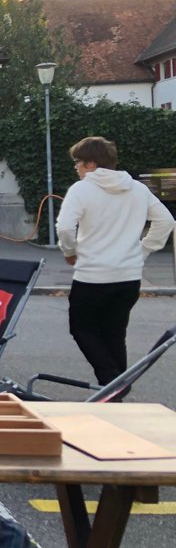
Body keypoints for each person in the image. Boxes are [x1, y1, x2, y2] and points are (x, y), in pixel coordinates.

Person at [56, 136, 175, 386]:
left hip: (92, 276)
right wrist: (142, 251)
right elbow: (166, 221)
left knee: (82, 328)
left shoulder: (82, 189)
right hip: (128, 277)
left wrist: (69, 252)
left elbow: (66, 228)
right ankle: (115, 392)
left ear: (90, 164)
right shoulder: (137, 188)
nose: (75, 167)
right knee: (114, 334)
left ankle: (113, 382)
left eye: (77, 162)